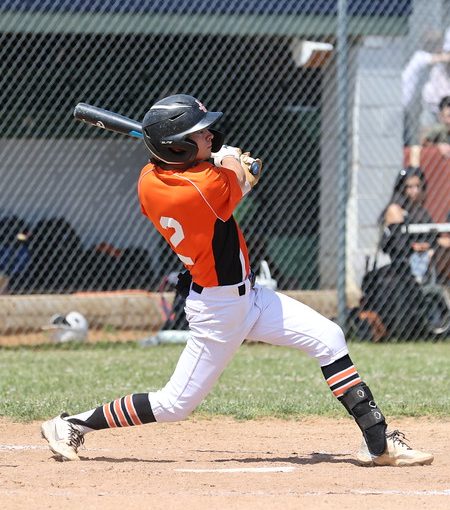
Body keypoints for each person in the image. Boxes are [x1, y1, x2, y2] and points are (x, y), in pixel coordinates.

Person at [41, 94, 433, 467]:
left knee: (329, 337)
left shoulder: (152, 178)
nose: (210, 135)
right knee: (175, 405)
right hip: (218, 308)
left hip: (251, 296)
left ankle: (379, 443)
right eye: (199, 133)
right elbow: (245, 176)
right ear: (176, 148)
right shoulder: (201, 188)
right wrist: (235, 163)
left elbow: (215, 172)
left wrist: (218, 159)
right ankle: (71, 424)